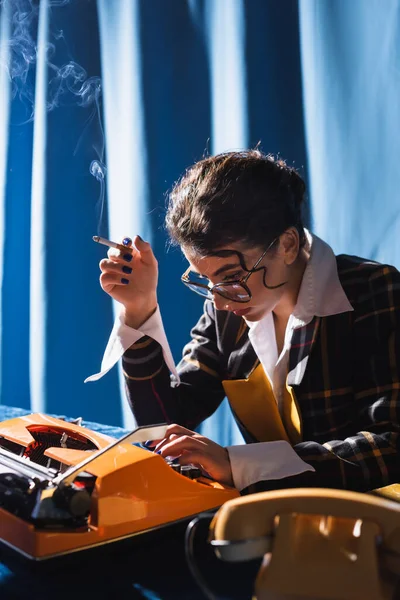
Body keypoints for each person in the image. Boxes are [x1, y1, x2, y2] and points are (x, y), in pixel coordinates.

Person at [86, 150, 400, 495]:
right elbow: (165, 421)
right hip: (270, 525)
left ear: (288, 244)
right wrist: (139, 307)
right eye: (207, 281)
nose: (219, 300)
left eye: (232, 276)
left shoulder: (375, 290)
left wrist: (238, 463)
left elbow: (391, 445)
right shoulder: (227, 311)